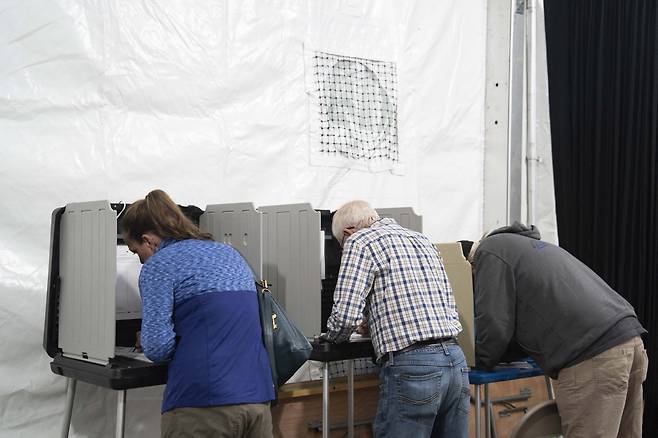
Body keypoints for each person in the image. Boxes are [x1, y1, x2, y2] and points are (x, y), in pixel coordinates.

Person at [470, 221, 648, 438]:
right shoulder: (525, 248)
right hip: (629, 339)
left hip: (592, 355)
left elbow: (494, 323)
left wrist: (477, 361)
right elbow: (534, 319)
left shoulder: (488, 252)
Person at [121, 189, 274, 438]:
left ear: (149, 240)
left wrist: (149, 336)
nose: (140, 261)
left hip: (203, 403)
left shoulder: (159, 266)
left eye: (135, 251)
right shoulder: (229, 253)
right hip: (257, 398)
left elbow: (158, 348)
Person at [325, 200, 470, 438]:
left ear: (348, 232)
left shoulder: (359, 242)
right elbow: (433, 300)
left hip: (413, 365)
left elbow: (345, 316)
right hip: (455, 361)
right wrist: (374, 324)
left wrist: (331, 336)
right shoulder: (421, 240)